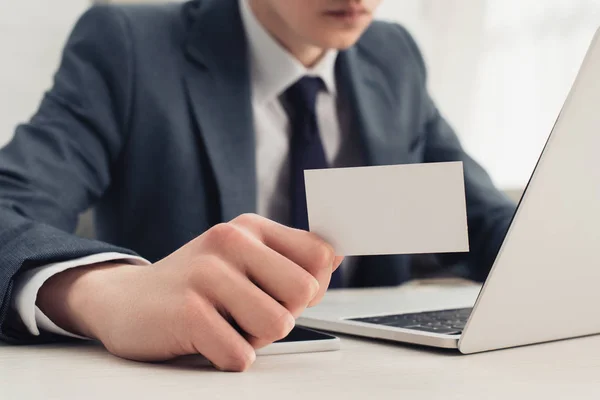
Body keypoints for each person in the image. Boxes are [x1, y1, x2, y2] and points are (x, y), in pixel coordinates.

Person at [0, 0, 515, 371]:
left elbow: (485, 218)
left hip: (372, 376)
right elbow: (8, 209)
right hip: (203, 378)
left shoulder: (394, 54)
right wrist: (108, 294)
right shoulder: (128, 44)